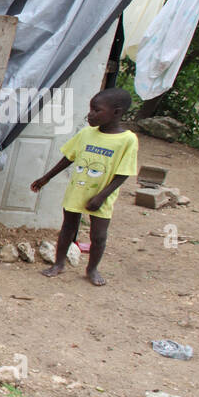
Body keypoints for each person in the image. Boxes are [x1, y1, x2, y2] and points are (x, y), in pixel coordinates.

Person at [30, 88, 137, 286]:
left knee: (98, 235)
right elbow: (68, 158)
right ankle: (59, 263)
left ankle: (92, 269)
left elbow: (123, 173)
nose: (90, 114)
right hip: (77, 190)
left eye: (97, 110)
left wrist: (101, 197)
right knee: (67, 228)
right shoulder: (86, 134)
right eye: (90, 109)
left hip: (102, 196)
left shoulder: (127, 140)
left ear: (116, 112)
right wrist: (46, 178)